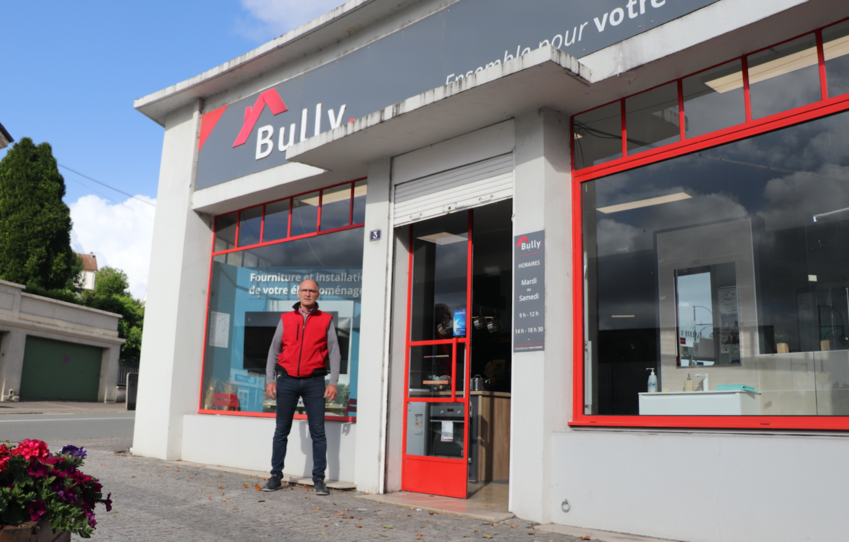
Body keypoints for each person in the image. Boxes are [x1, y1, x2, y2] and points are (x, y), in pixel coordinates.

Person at [262, 279, 340, 496]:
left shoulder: (326, 320)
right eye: (304, 290)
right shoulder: (286, 319)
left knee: (318, 432)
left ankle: (319, 480)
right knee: (281, 430)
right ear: (298, 293)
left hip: (315, 382)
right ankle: (276, 476)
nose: (308, 293)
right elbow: (274, 350)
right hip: (286, 381)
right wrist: (270, 379)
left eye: (312, 291)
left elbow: (334, 352)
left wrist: (333, 382)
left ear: (318, 294)